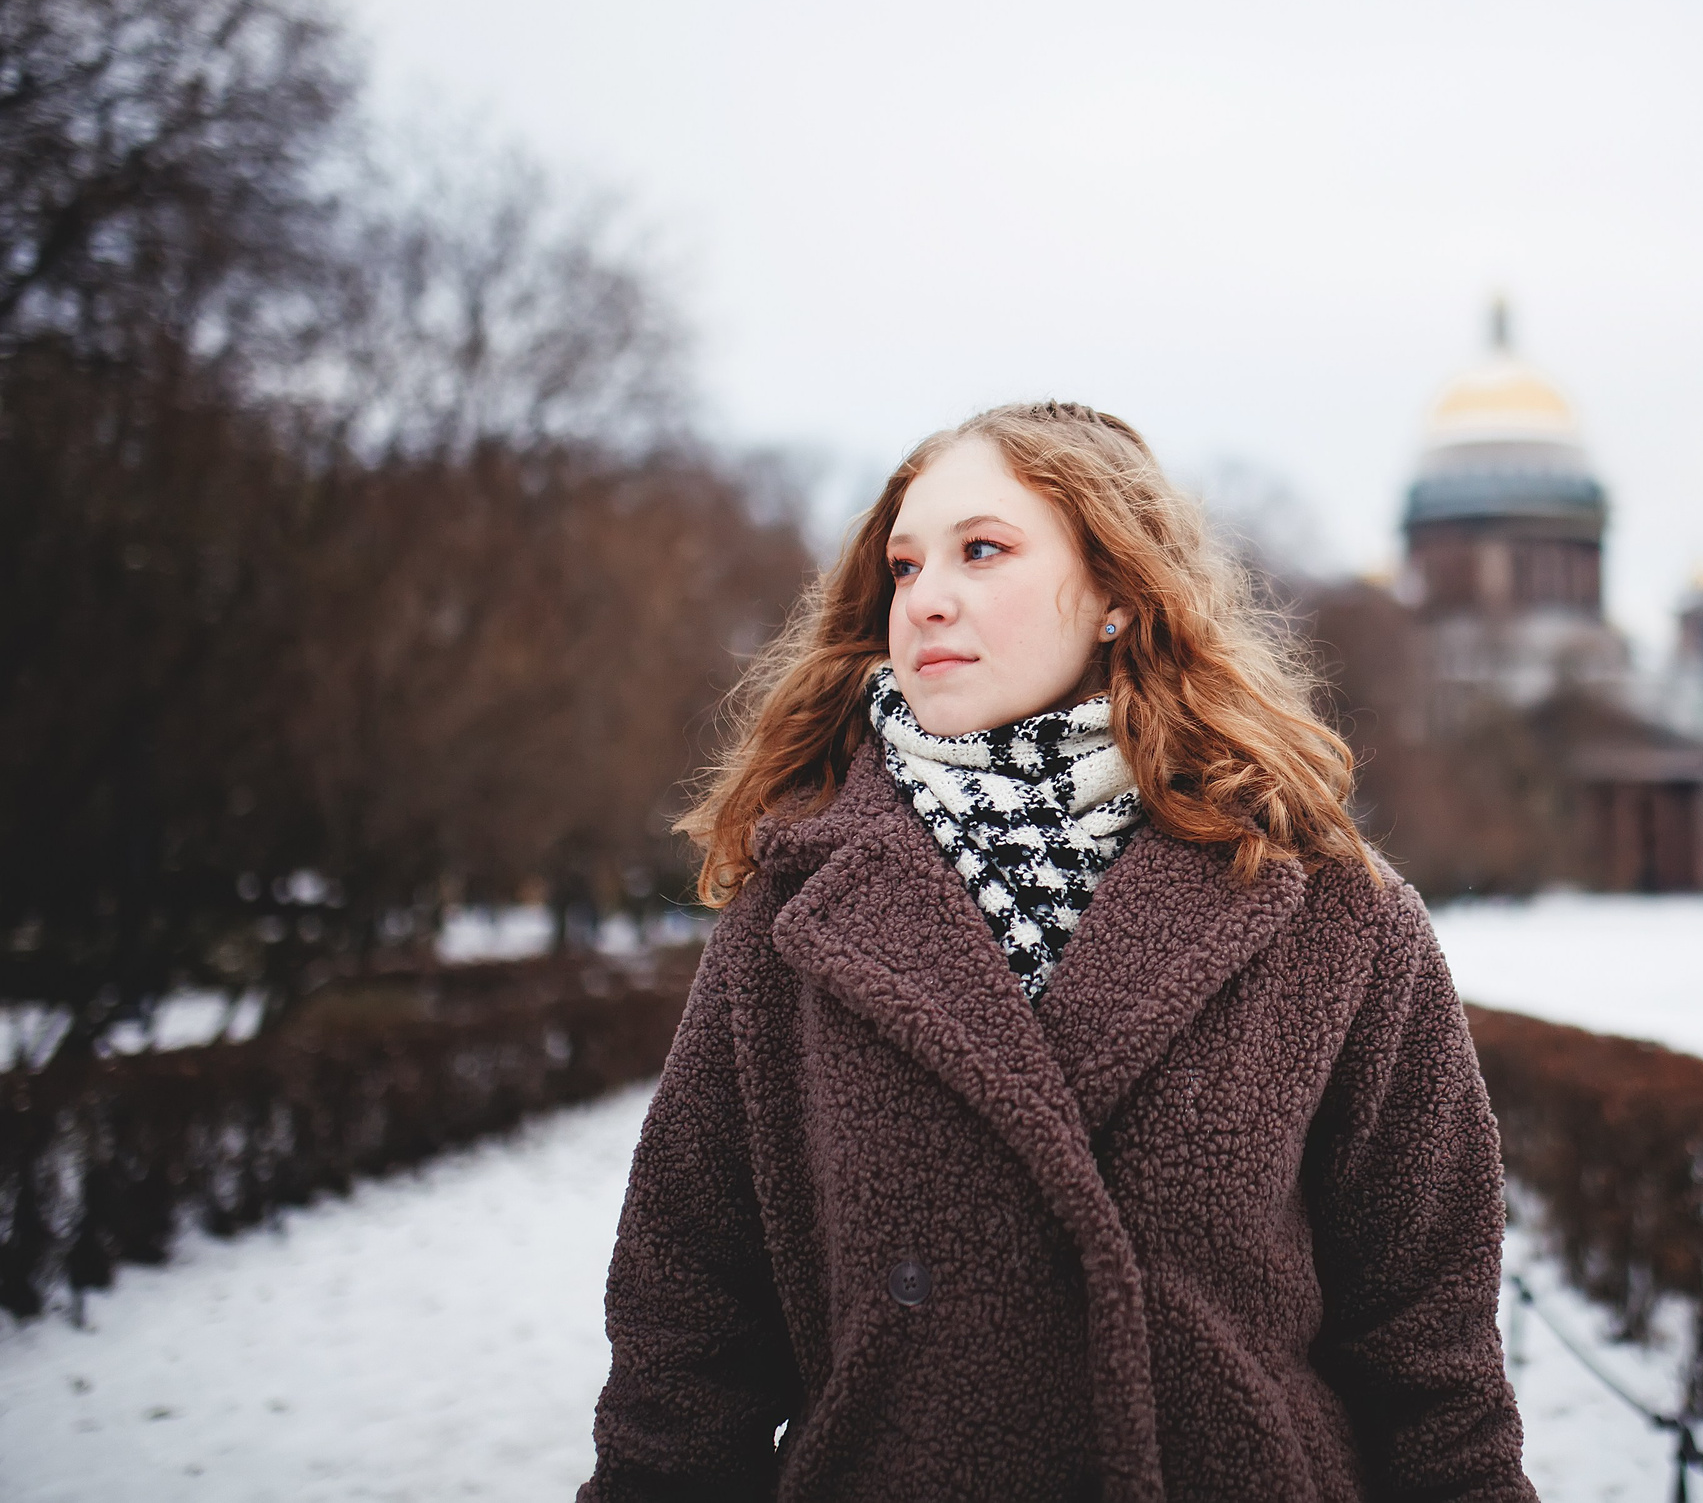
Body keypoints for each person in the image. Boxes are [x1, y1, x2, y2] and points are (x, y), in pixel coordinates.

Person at [580, 401, 1533, 1502]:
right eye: (903, 566)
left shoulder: (1330, 917)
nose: (926, 596)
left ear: (1120, 594)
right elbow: (685, 1339)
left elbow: (1433, 1358)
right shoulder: (791, 922)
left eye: (982, 550)